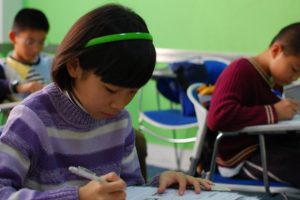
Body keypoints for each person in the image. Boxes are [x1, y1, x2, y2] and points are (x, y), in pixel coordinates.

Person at [0, 4, 213, 199]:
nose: (120, 105)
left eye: (132, 92)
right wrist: (78, 196)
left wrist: (159, 185)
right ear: (74, 66)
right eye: (110, 90)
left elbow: (127, 189)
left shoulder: (119, 121)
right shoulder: (31, 119)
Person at [207, 22, 300, 188]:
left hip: (269, 147)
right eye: (294, 69)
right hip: (242, 158)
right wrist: (274, 112)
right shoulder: (240, 70)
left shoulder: (274, 80)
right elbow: (218, 117)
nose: (295, 77)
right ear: (276, 50)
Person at [0, 8, 52, 99]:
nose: (36, 49)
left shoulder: (51, 63)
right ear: (13, 37)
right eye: (29, 42)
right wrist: (19, 87)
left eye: (41, 42)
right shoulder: (4, 69)